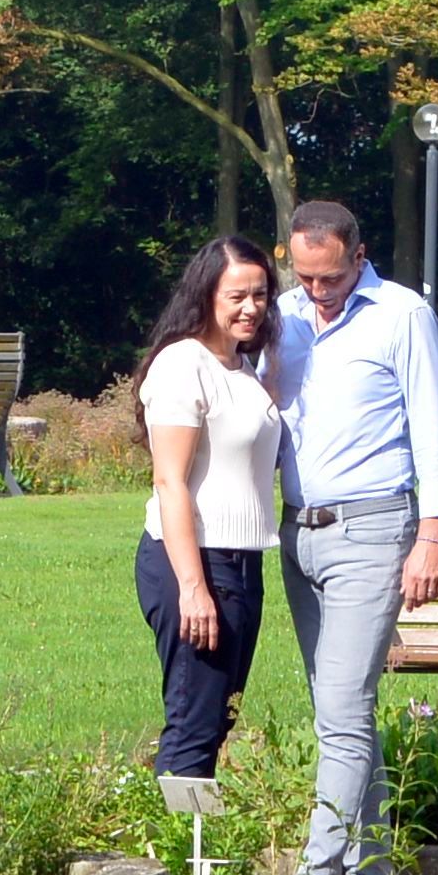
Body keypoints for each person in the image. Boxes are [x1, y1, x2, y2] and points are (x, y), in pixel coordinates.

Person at [257, 193, 438, 875]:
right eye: (307, 277)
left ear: (358, 258)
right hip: (298, 531)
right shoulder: (279, 317)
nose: (319, 291)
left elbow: (435, 426)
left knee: (340, 711)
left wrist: (432, 535)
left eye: (332, 278)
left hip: (375, 528)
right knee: (343, 711)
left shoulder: (402, 315)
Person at [131, 236, 285, 804]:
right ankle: (176, 861)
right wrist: (193, 588)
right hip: (194, 565)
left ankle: (193, 860)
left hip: (242, 565)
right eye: (236, 295)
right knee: (195, 725)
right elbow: (170, 481)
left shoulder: (242, 368)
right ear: (206, 295)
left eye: (261, 295)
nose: (251, 307)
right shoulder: (182, 364)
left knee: (217, 721)